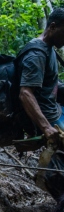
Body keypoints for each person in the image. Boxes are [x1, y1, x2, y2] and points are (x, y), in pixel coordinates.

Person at [18, 8, 64, 143]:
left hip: (54, 108)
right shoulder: (37, 54)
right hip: (49, 116)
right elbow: (25, 93)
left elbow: (47, 82)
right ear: (53, 27)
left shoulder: (48, 48)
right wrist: (46, 127)